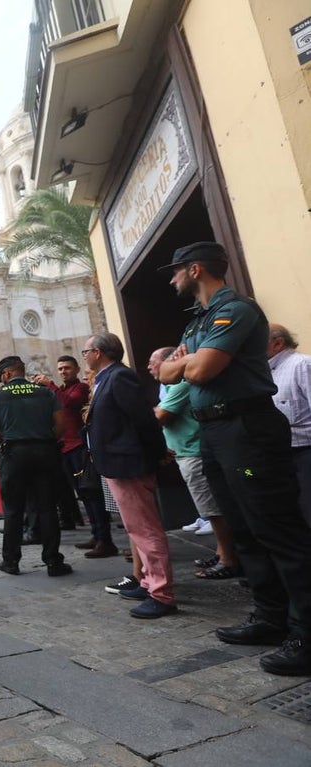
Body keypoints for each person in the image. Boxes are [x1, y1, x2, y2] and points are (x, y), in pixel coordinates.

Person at [157, 241, 311, 674]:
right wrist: (182, 364)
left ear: (196, 269)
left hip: (247, 430)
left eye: (176, 271)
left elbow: (198, 371)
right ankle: (269, 617)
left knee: (277, 529)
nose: (172, 279)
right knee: (243, 529)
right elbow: (164, 373)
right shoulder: (198, 322)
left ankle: (305, 633)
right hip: (215, 431)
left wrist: (185, 364)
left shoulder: (236, 310)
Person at [81, 334, 175, 619]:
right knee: (137, 529)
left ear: (98, 353)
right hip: (117, 463)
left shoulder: (119, 377)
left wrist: (157, 452)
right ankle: (148, 582)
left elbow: (143, 420)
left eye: (86, 351)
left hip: (129, 462)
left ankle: (162, 593)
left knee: (146, 530)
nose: (84, 355)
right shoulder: (107, 378)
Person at [148, 347, 239, 579]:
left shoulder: (180, 384)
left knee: (213, 510)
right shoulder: (170, 385)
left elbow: (160, 415)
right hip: (186, 451)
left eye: (154, 362)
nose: (149, 367)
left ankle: (228, 558)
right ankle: (222, 553)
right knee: (209, 508)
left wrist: (154, 411)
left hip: (193, 452)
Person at [0, 356, 71, 579]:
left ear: (7, 374)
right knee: (47, 508)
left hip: (14, 455)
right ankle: (53, 561)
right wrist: (44, 439)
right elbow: (61, 425)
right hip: (45, 452)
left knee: (13, 510)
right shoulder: (45, 392)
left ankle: (11, 561)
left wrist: (6, 441)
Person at [36, 357, 111, 547]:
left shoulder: (80, 389)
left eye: (67, 368)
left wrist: (50, 385)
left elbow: (69, 403)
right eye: (60, 368)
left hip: (79, 448)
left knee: (91, 492)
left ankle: (104, 538)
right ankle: (96, 534)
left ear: (76, 369)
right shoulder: (60, 390)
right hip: (65, 448)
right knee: (83, 493)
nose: (63, 371)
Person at [266, 324, 311, 526]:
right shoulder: (264, 371)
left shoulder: (302, 365)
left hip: (305, 453)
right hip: (282, 454)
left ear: (277, 343)